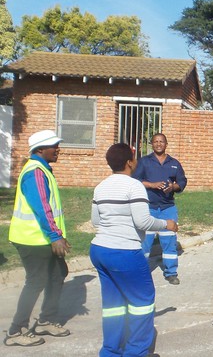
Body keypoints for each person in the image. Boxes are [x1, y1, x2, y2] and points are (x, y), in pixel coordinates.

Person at [90, 143, 179, 357]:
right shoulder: (134, 186)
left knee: (114, 305)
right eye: (134, 157)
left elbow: (95, 221)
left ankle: (111, 351)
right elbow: (143, 222)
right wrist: (167, 224)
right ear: (130, 162)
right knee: (142, 303)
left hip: (100, 250)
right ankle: (136, 352)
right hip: (125, 252)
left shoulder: (101, 186)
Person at [5, 130, 71, 347]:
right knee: (36, 281)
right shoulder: (35, 172)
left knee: (59, 273)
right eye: (54, 145)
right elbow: (42, 208)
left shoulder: (42, 169)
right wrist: (55, 236)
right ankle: (16, 331)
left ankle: (45, 320)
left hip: (42, 237)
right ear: (41, 149)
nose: (58, 149)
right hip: (32, 239)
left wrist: (57, 236)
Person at [132, 133, 187, 286]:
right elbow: (135, 181)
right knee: (145, 242)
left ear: (166, 144)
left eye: (161, 141)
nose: (158, 144)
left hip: (167, 208)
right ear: (152, 144)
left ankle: (171, 273)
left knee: (169, 241)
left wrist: (173, 187)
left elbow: (182, 181)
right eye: (155, 141)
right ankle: (140, 273)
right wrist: (152, 184)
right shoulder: (144, 162)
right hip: (148, 208)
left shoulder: (174, 163)